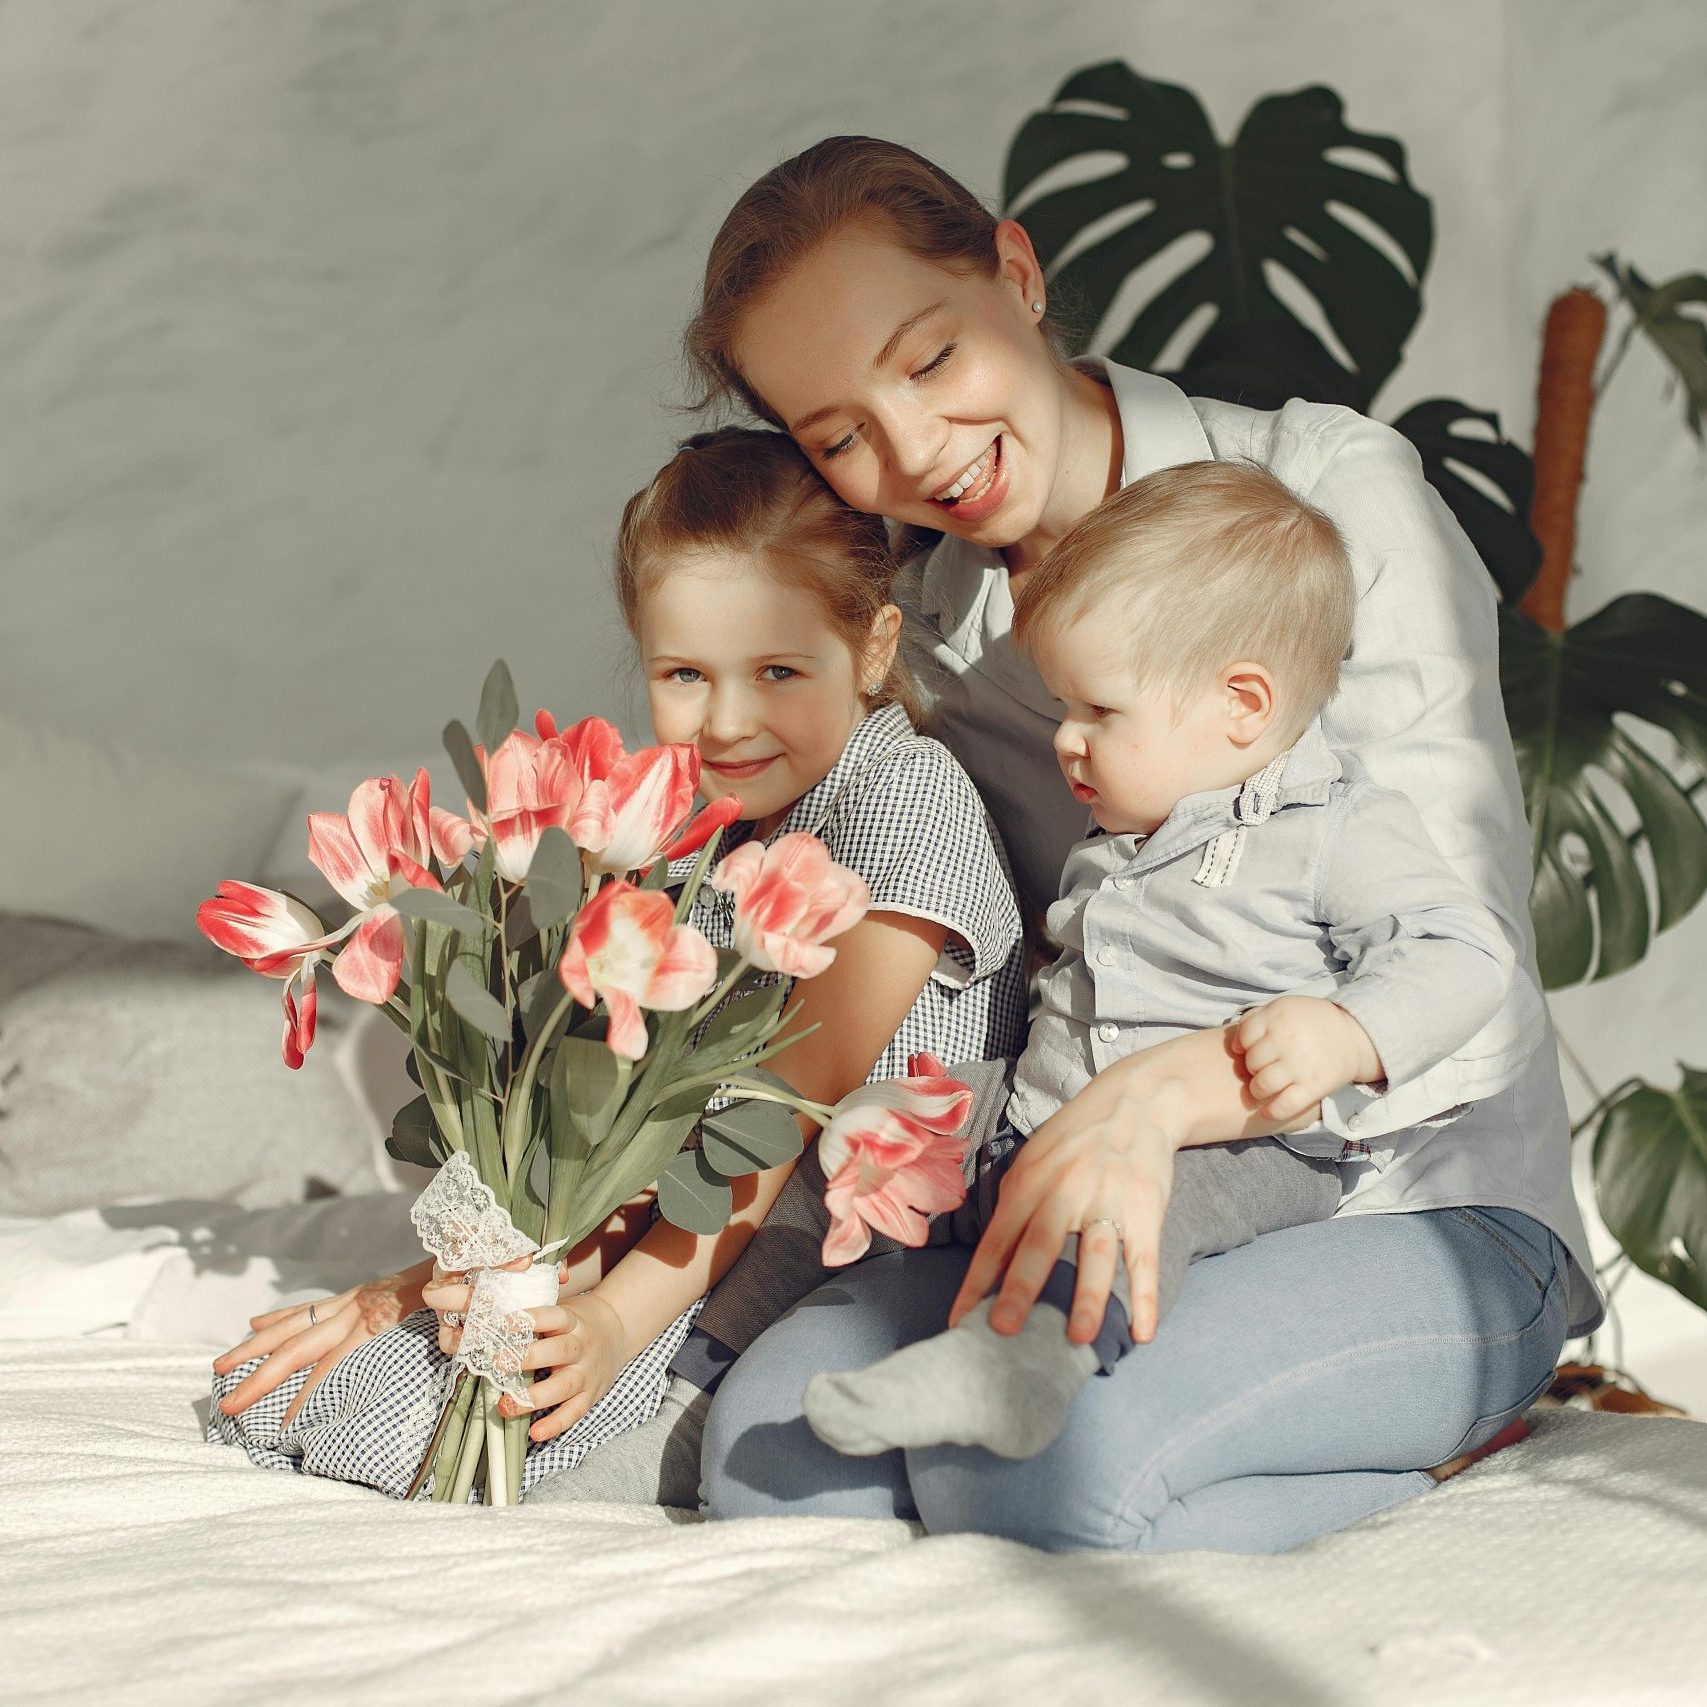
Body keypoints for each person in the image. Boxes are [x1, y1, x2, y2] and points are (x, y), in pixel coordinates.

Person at [681, 134, 1601, 1553]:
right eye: (837, 433)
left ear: (1015, 271)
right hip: (1086, 1181)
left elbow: (1461, 989)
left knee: (1034, 1473)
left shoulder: (1324, 496)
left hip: (1408, 1199)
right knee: (765, 1457)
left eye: (928, 360)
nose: (912, 449)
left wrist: (1169, 1096)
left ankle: (1432, 1458)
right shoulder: (927, 634)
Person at [209, 426, 1028, 1499]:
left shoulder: (906, 801)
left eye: (778, 670)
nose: (728, 720)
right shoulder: (710, 831)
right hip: (688, 1231)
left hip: (832, 1262)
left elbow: (778, 1115)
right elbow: (638, 1135)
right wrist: (423, 1289)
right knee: (305, 1397)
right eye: (684, 674)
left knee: (439, 1452)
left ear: (873, 648)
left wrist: (607, 1320)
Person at [801, 458, 1525, 1463]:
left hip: (1236, 1151)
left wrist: (1346, 1031)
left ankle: (1023, 1366)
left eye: (1100, 710)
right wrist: (933, 1119)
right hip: (1046, 1113)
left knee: (1129, 1211)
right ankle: (914, 1195)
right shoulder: (1117, 846)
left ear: (1242, 704)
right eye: (1064, 707)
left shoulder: (1333, 831)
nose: (1067, 740)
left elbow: (1465, 950)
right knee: (911, 1107)